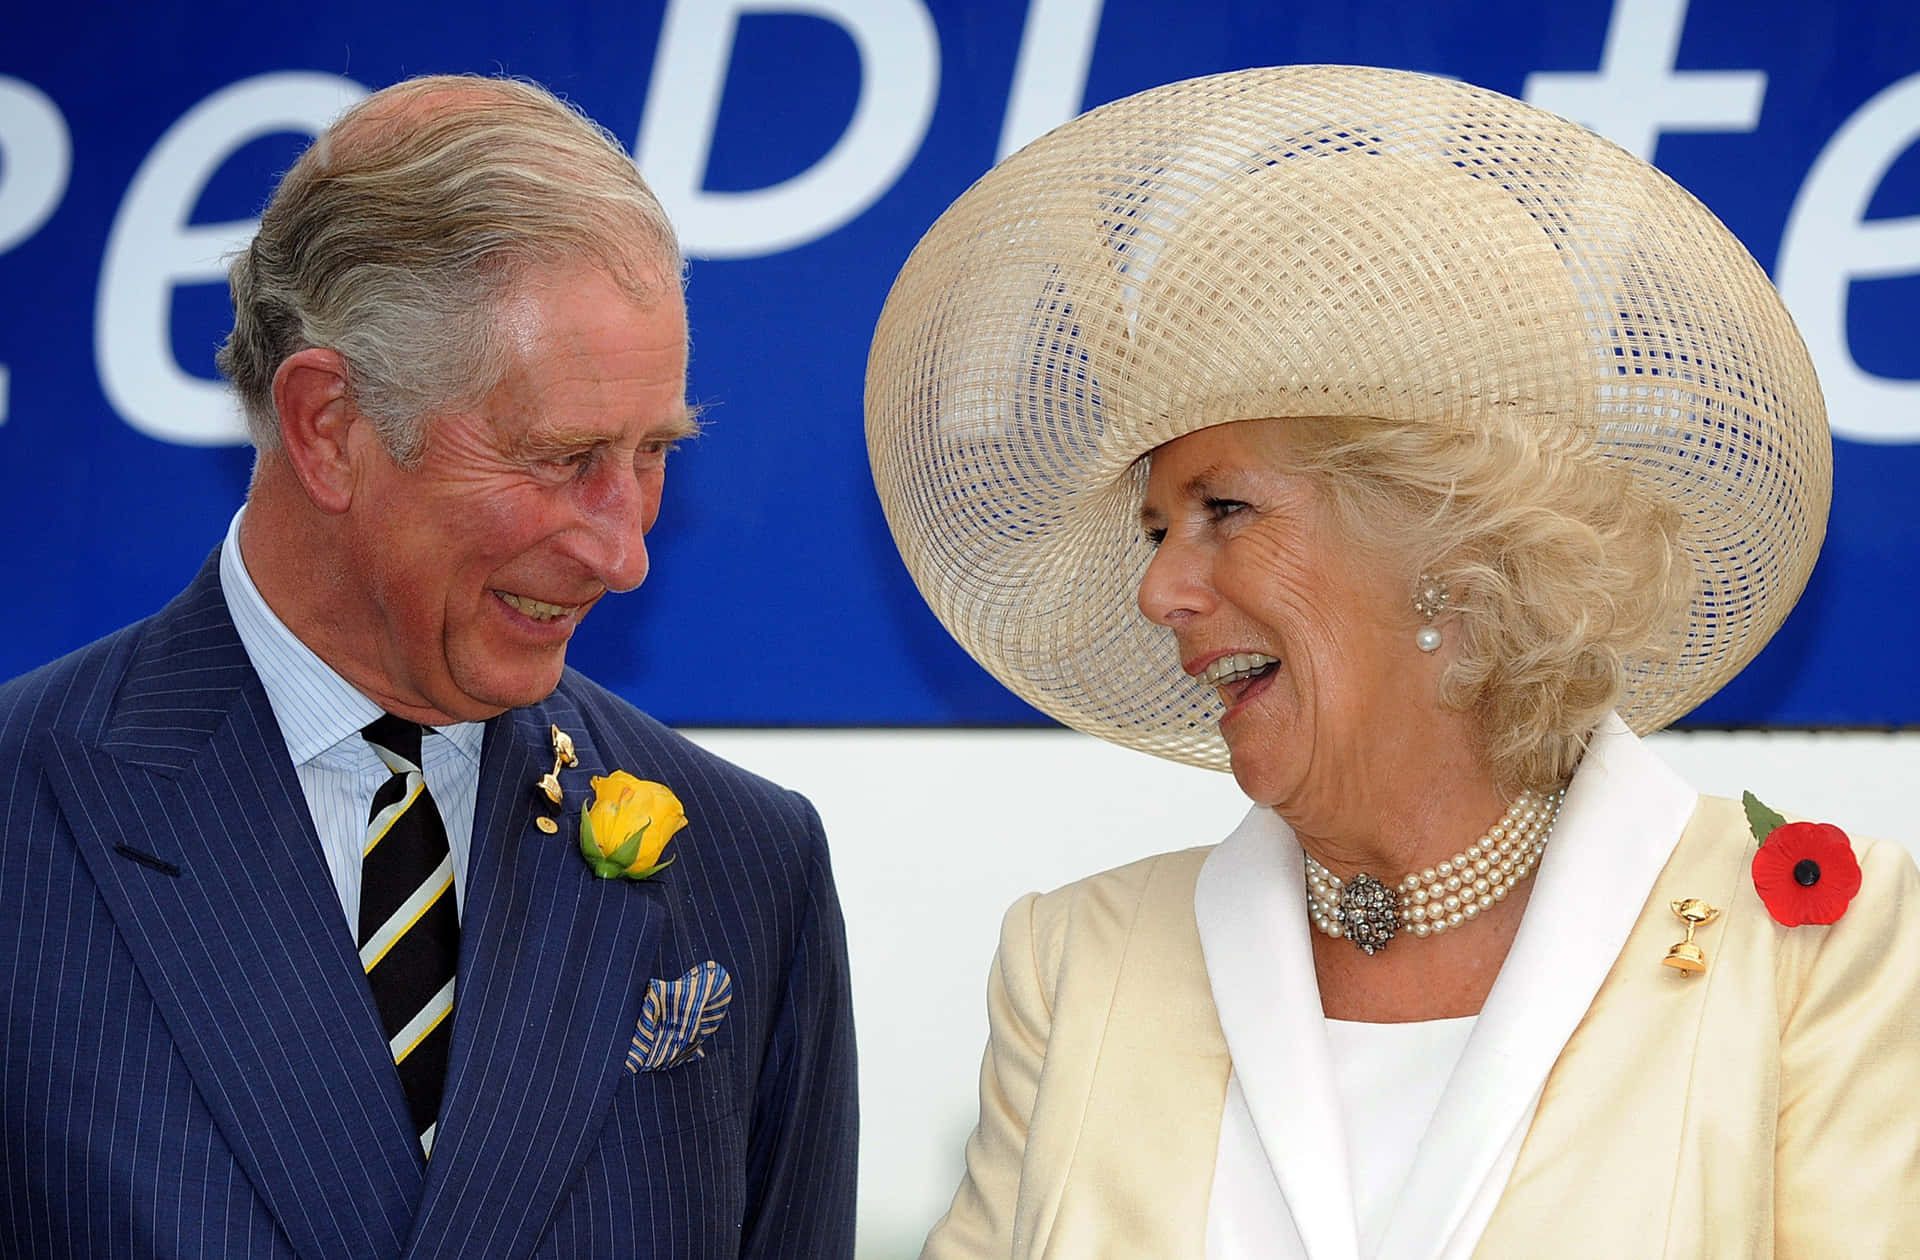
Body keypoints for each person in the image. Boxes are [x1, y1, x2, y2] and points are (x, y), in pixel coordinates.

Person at [865, 65, 1920, 1258]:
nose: (1161, 590)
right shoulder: (1079, 962)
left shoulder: (1801, 944)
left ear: (1442, 543)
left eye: (1223, 510)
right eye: (1158, 530)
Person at [0, 75, 855, 1258]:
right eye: (563, 459)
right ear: (328, 426)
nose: (624, 552)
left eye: (654, 451)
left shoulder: (746, 868)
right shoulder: (20, 817)